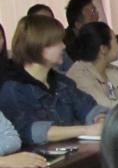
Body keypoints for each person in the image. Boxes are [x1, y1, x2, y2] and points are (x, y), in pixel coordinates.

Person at [0, 15, 105, 145]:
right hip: (38, 156)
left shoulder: (62, 82)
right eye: (57, 42)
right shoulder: (13, 88)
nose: (63, 46)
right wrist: (86, 130)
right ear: (38, 45)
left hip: (71, 152)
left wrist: (100, 119)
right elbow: (31, 131)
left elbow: (89, 107)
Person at [65, 21, 118, 108]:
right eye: (115, 41)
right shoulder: (80, 76)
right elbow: (107, 108)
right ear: (103, 49)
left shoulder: (110, 70)